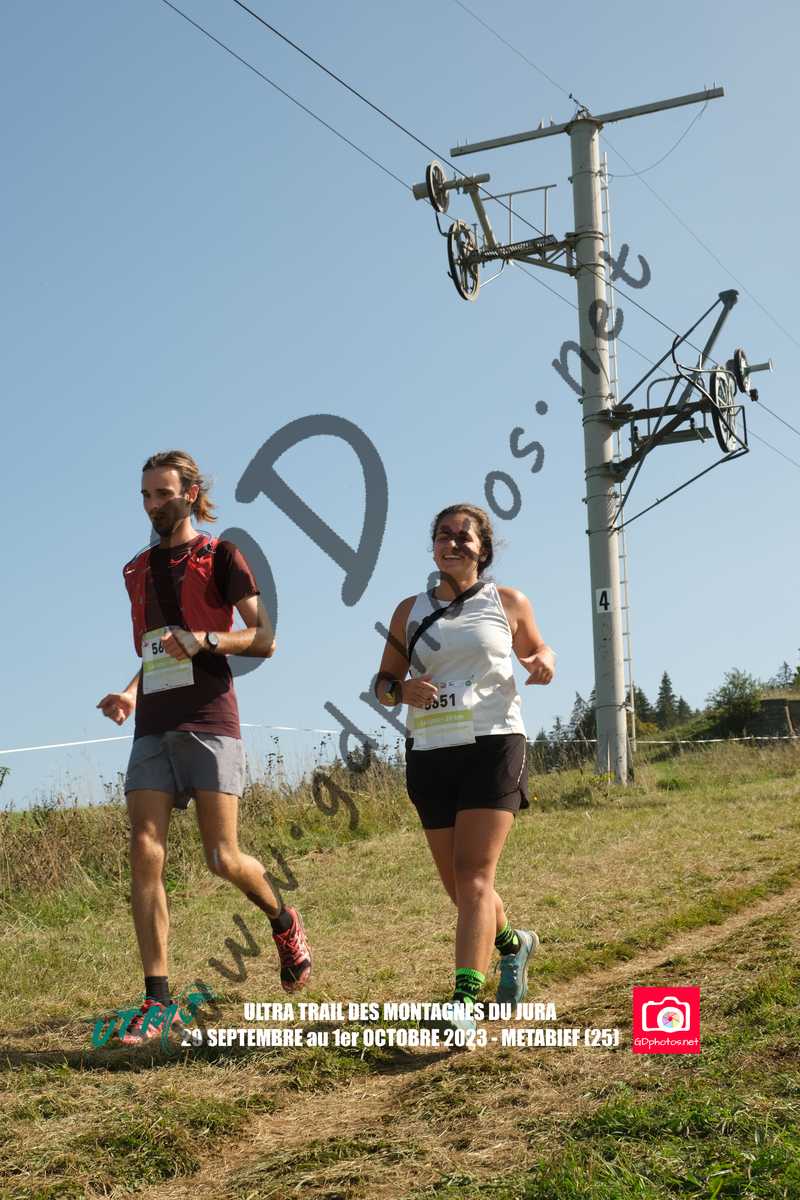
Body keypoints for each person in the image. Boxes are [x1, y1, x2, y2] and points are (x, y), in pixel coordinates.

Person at [97, 450, 312, 1043]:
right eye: (145, 495)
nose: (152, 505)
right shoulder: (136, 570)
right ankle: (157, 1000)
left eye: (163, 494)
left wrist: (206, 640)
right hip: (152, 725)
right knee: (145, 851)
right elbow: (158, 646)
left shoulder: (222, 556)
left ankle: (282, 918)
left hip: (210, 719)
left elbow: (265, 638)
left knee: (222, 858)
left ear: (191, 493)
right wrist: (131, 691)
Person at [375, 504, 555, 1034]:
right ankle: (513, 944)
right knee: (459, 886)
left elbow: (538, 648)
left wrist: (544, 660)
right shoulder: (408, 611)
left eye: (463, 537)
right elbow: (382, 684)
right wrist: (401, 689)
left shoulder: (508, 602)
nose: (452, 544)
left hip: (493, 744)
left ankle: (463, 1001)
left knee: (475, 875)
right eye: (443, 536)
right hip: (431, 749)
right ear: (433, 547)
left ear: (484, 549)